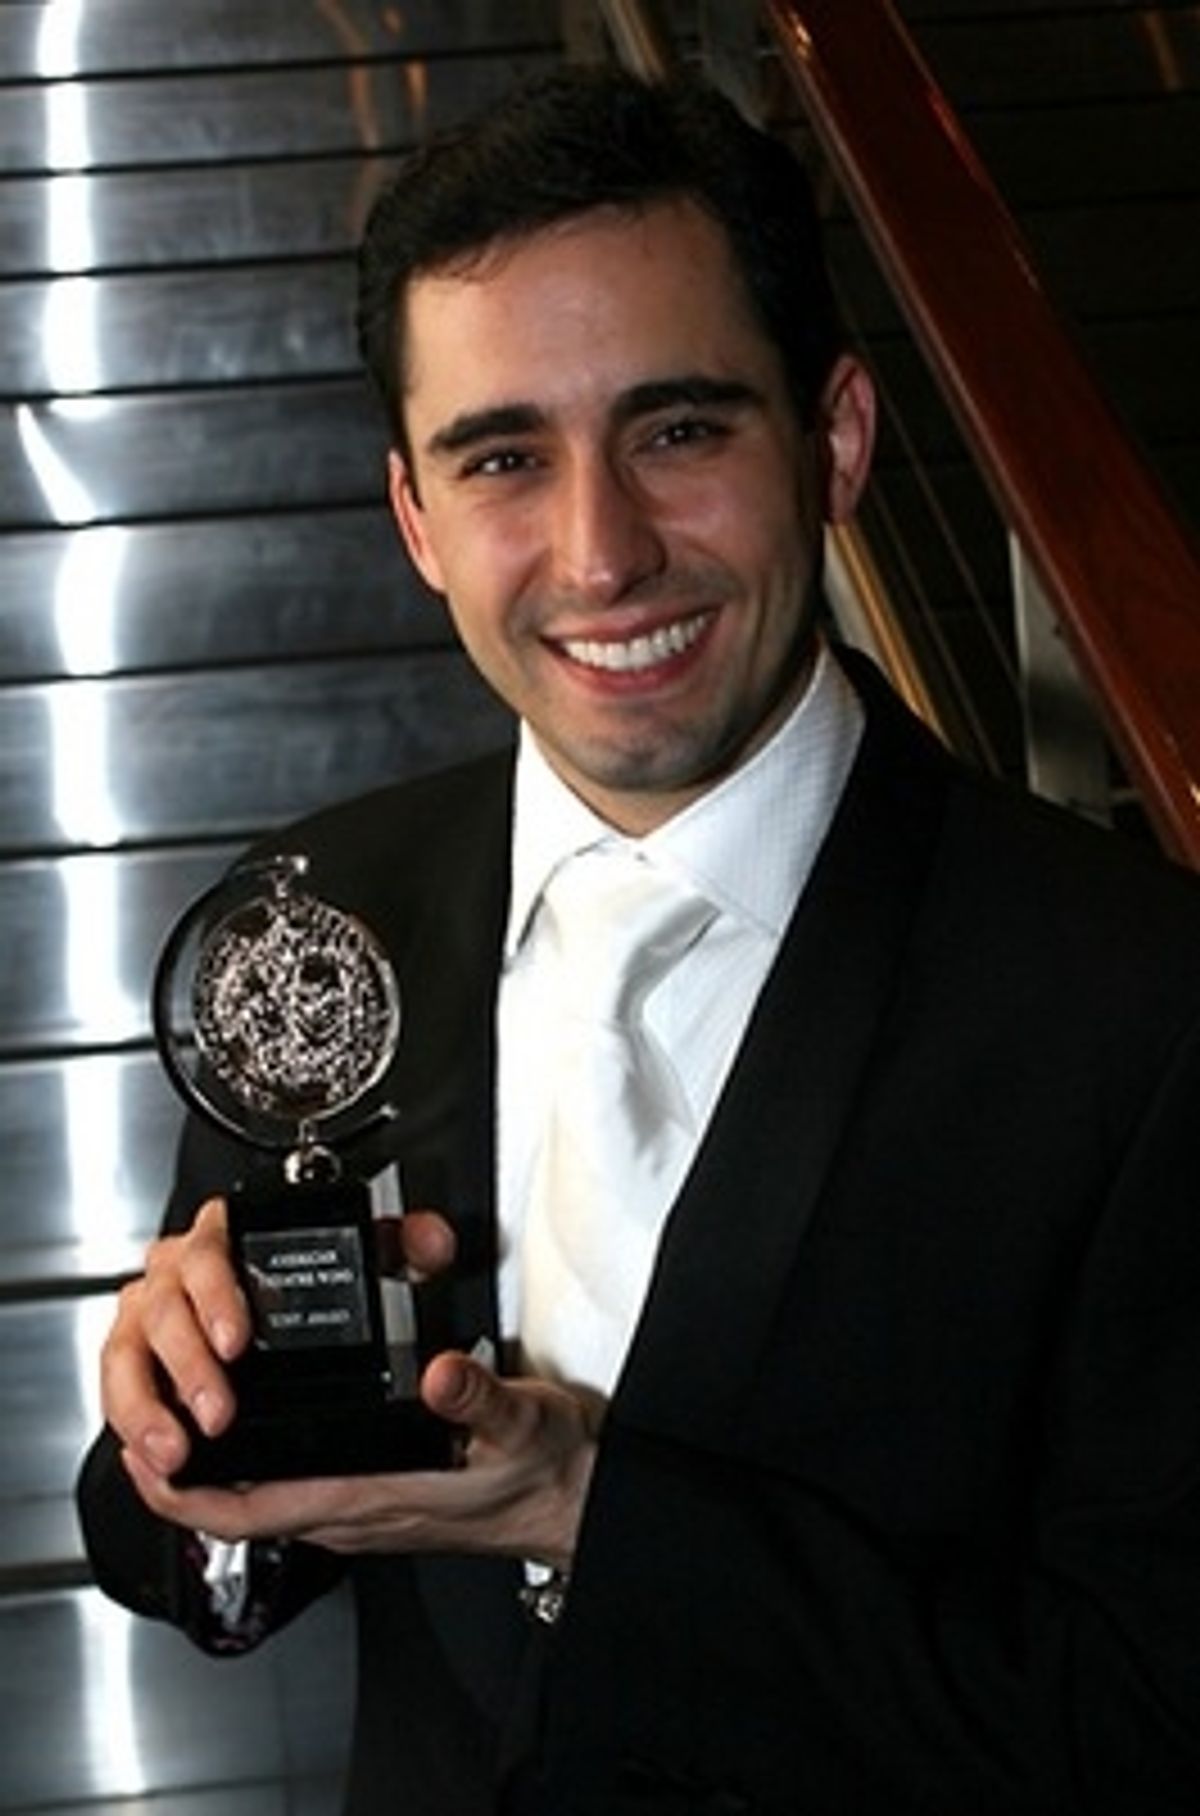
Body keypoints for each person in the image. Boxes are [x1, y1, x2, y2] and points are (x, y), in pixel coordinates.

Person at [77, 63, 1200, 1816]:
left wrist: (586, 1509)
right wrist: (175, 1425)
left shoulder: (1134, 999)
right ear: (415, 521)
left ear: (833, 439)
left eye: (679, 431)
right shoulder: (318, 915)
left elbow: (1148, 1719)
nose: (600, 554)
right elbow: (192, 1563)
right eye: (505, 456)